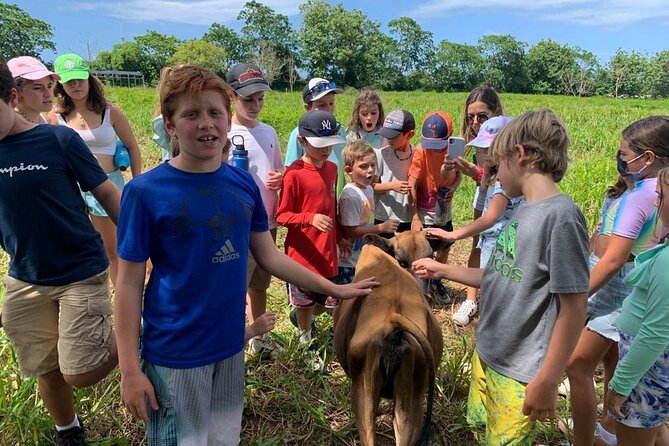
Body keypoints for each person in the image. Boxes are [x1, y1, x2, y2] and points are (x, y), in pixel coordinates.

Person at [114, 66, 377, 445]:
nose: (206, 123)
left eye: (214, 112)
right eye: (191, 114)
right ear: (170, 124)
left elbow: (269, 256)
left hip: (230, 346)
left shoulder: (242, 185)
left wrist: (332, 288)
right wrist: (128, 370)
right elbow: (127, 284)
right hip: (176, 354)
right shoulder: (145, 192)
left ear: (226, 117)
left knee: (224, 438)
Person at [412, 108, 590, 445]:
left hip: (519, 372)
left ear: (519, 155)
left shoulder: (562, 218)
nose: (492, 174)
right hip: (491, 352)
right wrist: (442, 269)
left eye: (497, 165)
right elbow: (499, 274)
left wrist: (549, 380)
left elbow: (574, 308)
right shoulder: (523, 207)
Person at [0, 59, 121, 446]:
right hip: (25, 276)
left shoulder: (57, 140)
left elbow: (105, 192)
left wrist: (142, 247)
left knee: (79, 372)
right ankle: (68, 430)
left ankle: (136, 326)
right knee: (44, 367)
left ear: (11, 98)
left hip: (79, 270)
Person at [567, 116, 669, 446]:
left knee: (578, 366)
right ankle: (608, 432)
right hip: (627, 297)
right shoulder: (648, 190)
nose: (621, 159)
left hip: (618, 294)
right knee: (618, 366)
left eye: (624, 154)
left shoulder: (642, 194)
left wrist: (577, 298)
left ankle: (586, 440)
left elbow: (613, 259)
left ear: (648, 157)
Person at [48, 53, 141, 288]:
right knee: (84, 248)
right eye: (69, 82)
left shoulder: (109, 111)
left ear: (90, 79)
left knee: (115, 249)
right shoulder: (56, 116)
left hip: (107, 185)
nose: (76, 86)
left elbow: (131, 145)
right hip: (73, 189)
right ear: (60, 84)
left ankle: (124, 300)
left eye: (80, 79)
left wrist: (137, 181)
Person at [425, 116, 519, 326]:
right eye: (480, 148)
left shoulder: (504, 180)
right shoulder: (499, 173)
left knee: (496, 289)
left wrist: (453, 234)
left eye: (487, 149)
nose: (482, 154)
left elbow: (491, 217)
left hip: (500, 242)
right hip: (494, 241)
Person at [276, 109, 349, 371]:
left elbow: (333, 208)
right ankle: (305, 341)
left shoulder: (331, 169)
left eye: (330, 144)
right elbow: (282, 215)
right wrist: (309, 218)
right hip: (302, 254)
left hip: (326, 250)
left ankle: (304, 320)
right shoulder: (293, 174)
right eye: (320, 145)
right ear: (302, 142)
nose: (327, 150)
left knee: (323, 303)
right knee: (305, 302)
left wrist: (339, 237)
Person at [606, 165, 669, 446]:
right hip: (649, 370)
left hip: (645, 373)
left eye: (662, 197)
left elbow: (655, 334)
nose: (655, 203)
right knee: (653, 429)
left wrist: (620, 386)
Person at [226, 62, 285, 357]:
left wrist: (279, 179)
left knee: (260, 280)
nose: (256, 105)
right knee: (234, 284)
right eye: (248, 99)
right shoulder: (224, 132)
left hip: (267, 221)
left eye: (260, 99)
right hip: (237, 224)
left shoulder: (269, 132)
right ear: (231, 96)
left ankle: (257, 336)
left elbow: (278, 169)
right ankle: (230, 338)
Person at [454, 87, 504, 327]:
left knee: (498, 242)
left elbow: (505, 176)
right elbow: (487, 176)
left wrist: (477, 172)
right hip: (484, 189)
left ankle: (493, 296)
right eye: (470, 117)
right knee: (477, 240)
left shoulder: (503, 136)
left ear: (495, 112)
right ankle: (471, 299)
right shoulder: (477, 141)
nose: (475, 122)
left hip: (501, 193)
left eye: (482, 116)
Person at [408, 111, 462, 302]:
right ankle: (423, 285)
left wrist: (453, 188)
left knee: (445, 247)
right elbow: (411, 184)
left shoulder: (453, 151)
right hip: (424, 210)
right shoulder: (420, 151)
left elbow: (457, 176)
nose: (434, 150)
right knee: (426, 250)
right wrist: (414, 216)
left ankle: (437, 279)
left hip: (443, 209)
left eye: (438, 145)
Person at [338, 140, 399, 284]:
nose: (370, 170)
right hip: (348, 260)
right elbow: (351, 231)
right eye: (364, 166)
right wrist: (380, 228)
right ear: (348, 170)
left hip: (361, 255)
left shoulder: (368, 189)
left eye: (372, 165)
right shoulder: (351, 196)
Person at [283, 77, 348, 197]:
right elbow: (290, 172)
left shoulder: (340, 131)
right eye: (322, 105)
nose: (328, 109)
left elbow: (340, 168)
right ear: (308, 108)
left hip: (334, 202)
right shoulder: (299, 134)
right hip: (309, 203)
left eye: (331, 103)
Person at [373, 109, 415, 235]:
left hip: (407, 218)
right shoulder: (380, 154)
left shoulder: (417, 156)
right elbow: (371, 186)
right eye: (387, 135)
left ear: (409, 135)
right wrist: (392, 186)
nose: (389, 139)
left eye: (394, 136)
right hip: (383, 217)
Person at [7, 56, 59, 124]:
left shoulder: (46, 121)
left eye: (49, 86)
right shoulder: (7, 126)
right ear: (17, 92)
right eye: (38, 88)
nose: (48, 94)